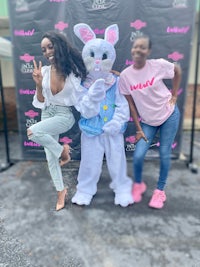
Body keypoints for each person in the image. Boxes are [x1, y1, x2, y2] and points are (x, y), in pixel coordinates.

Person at [119, 34, 182, 209]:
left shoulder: (158, 65)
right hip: (147, 121)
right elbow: (131, 104)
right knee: (138, 156)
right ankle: (138, 184)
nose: (138, 50)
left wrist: (175, 94)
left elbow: (176, 70)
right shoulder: (126, 76)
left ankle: (159, 191)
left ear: (148, 51)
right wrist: (138, 128)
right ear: (132, 50)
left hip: (169, 115)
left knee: (163, 153)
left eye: (142, 47)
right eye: (135, 47)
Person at [27, 31, 87, 211]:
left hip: (64, 115)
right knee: (50, 158)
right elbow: (40, 101)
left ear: (59, 46)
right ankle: (61, 190)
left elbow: (81, 96)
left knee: (32, 132)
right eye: (43, 49)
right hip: (46, 113)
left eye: (50, 47)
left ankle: (63, 152)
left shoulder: (73, 72)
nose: (46, 52)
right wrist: (38, 84)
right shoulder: (43, 72)